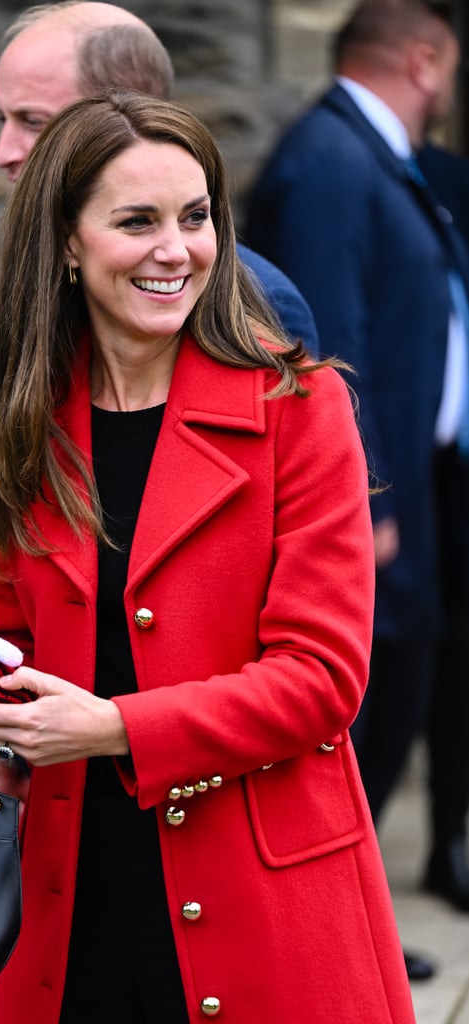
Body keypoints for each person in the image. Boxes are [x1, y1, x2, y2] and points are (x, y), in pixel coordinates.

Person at [0, 89, 416, 1024]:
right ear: (66, 243)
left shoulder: (298, 408)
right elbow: (7, 645)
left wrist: (116, 728)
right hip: (67, 900)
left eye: (196, 216)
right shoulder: (18, 420)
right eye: (137, 222)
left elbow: (322, 678)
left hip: (263, 901)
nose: (177, 251)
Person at [0, 1, 321, 621]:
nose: (5, 151)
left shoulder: (256, 306)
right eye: (2, 119)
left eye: (33, 122)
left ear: (124, 119)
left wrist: (121, 722)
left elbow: (290, 597)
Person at [243, 0, 469, 975]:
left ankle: (354, 914)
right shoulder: (332, 161)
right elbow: (329, 340)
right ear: (425, 58)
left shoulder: (374, 156)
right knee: (363, 707)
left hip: (422, 485)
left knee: (409, 691)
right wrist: (365, 501)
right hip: (373, 504)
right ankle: (334, 926)